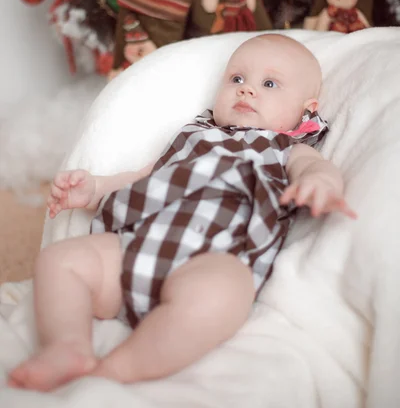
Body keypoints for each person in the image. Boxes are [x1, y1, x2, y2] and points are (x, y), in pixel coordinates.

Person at [7, 34, 356, 392]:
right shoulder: (194, 133)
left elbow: (316, 170)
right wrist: (94, 188)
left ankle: (118, 368)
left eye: (269, 83)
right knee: (60, 260)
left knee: (223, 295)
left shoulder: (284, 148)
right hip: (134, 247)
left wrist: (320, 185)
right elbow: (144, 176)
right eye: (237, 79)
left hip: (212, 260)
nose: (246, 90)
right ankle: (67, 347)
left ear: (305, 109)